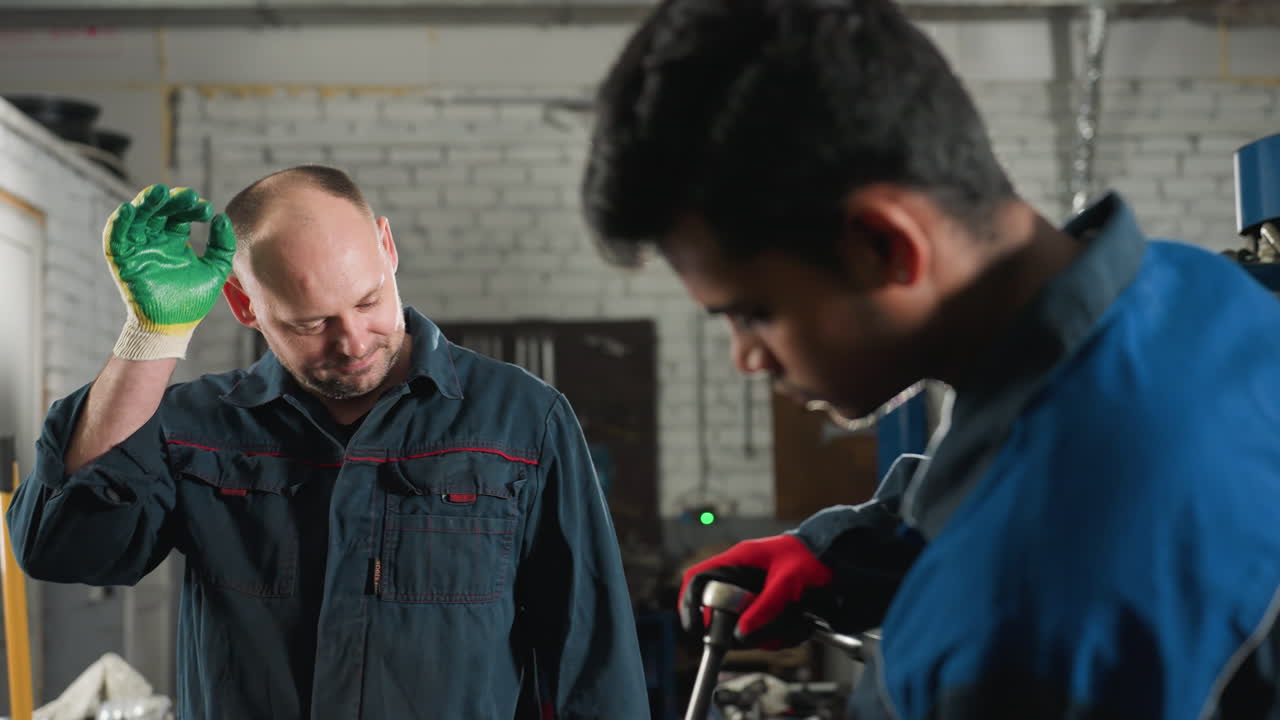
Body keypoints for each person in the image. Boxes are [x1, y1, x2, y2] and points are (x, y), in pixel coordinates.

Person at [581, 0, 1280, 717]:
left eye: (752, 314)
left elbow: (1035, 539)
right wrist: (842, 555)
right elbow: (1013, 468)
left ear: (884, 246)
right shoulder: (1197, 293)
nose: (746, 359)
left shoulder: (1002, 617)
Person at [8, 166, 649, 719]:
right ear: (244, 303)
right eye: (312, 323)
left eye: (369, 301)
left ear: (387, 248)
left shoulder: (521, 419)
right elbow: (61, 547)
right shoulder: (198, 428)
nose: (354, 341)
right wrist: (152, 336)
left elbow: (591, 655)